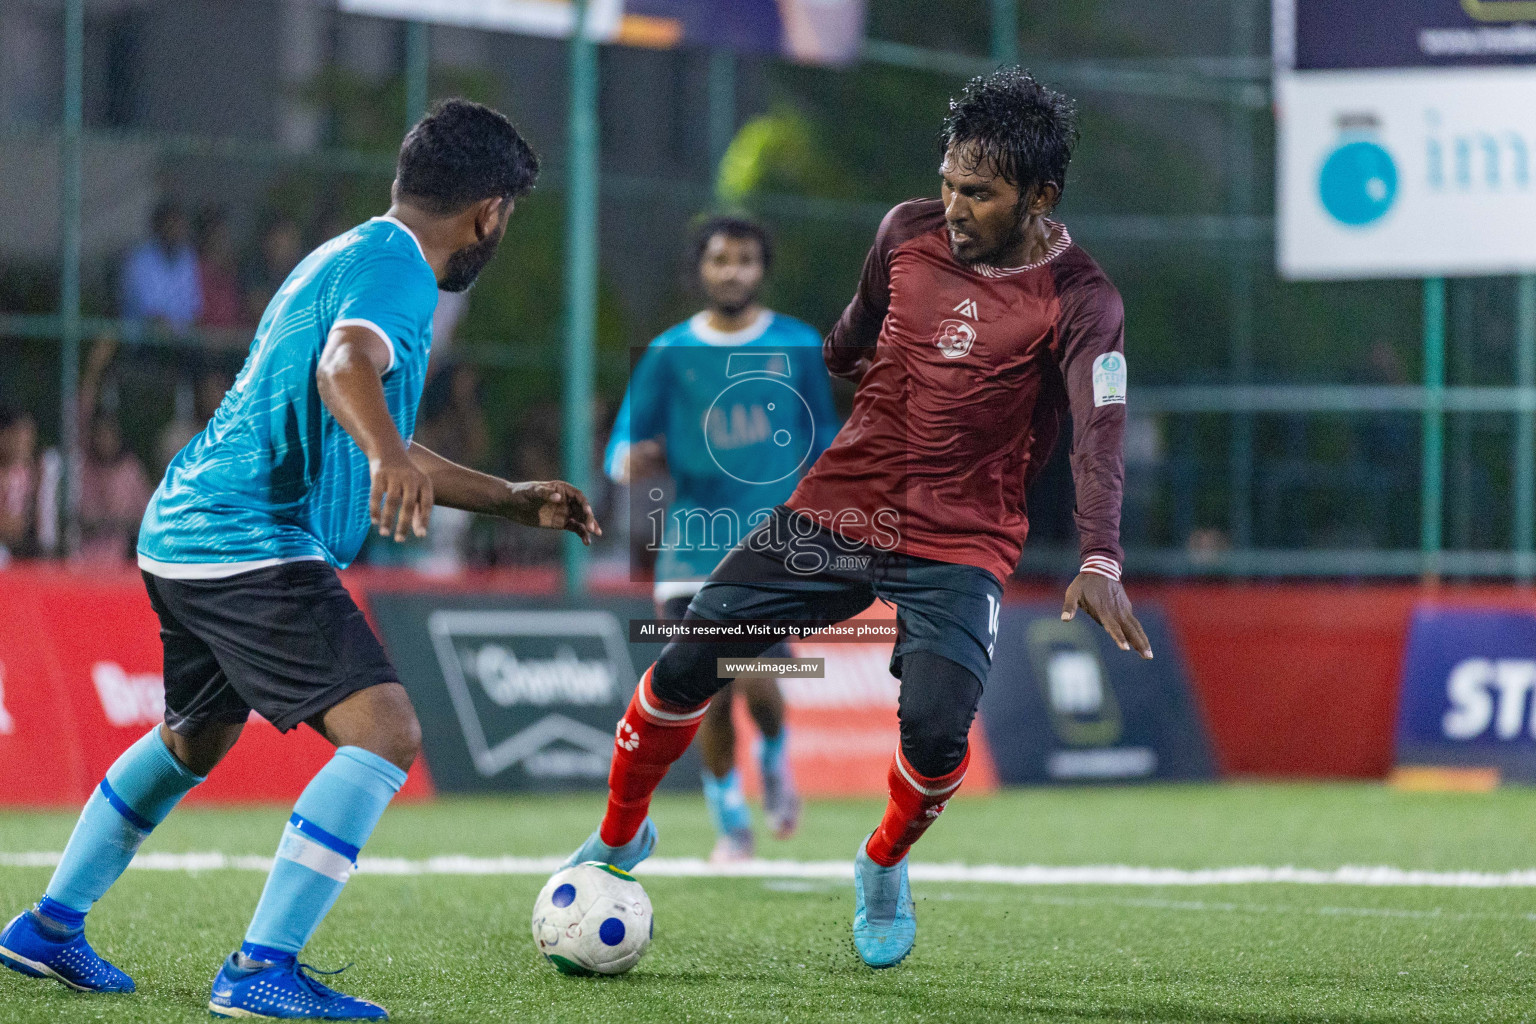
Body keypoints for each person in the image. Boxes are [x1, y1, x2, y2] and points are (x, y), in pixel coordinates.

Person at [0, 99, 598, 1019]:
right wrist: (389, 456)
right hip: (251, 540)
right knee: (389, 731)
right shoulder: (403, 272)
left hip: (183, 531)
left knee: (193, 739)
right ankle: (258, 969)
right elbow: (343, 367)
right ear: (489, 212)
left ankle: (46, 928)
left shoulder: (350, 252)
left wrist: (510, 497)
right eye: (507, 214)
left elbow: (367, 417)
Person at [563, 68, 1153, 969]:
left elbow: (1098, 437)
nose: (955, 207)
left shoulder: (1082, 300)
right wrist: (841, 369)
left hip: (960, 540)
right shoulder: (905, 232)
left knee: (936, 731)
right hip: (840, 510)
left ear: (1042, 196)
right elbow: (852, 334)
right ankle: (619, 837)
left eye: (981, 194)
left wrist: (1102, 557)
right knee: (690, 657)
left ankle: (881, 862)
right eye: (950, 182)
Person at [605, 215, 838, 862]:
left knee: (759, 688)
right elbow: (622, 443)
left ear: (762, 269)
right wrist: (631, 460)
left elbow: (823, 436)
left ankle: (773, 759)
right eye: (719, 259)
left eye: (744, 259)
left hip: (770, 552)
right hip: (688, 554)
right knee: (705, 692)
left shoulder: (796, 344)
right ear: (700, 269)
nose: (732, 270)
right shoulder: (669, 352)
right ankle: (731, 821)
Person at [120, 200, 202, 335]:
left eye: (180, 225)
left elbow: (192, 308)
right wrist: (173, 329)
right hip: (146, 340)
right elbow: (149, 313)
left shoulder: (187, 257)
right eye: (172, 224)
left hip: (180, 341)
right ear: (158, 227)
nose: (177, 230)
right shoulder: (139, 260)